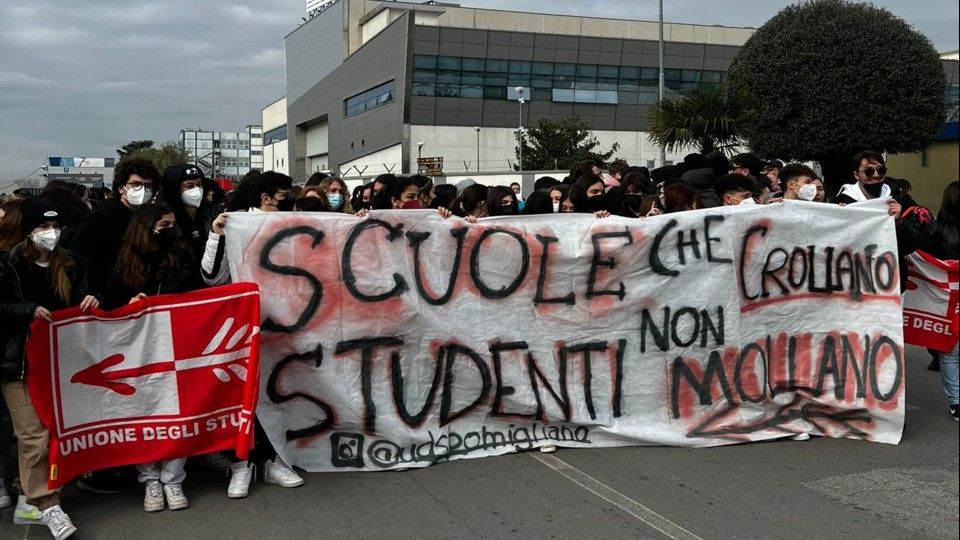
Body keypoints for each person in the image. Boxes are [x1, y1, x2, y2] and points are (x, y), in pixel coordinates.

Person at [201, 172, 306, 499]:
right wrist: (216, 236)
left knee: (275, 393)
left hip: (286, 324)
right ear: (265, 196)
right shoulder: (236, 224)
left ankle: (272, 460)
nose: (288, 198)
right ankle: (242, 464)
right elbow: (211, 277)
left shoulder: (293, 223)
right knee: (242, 395)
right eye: (283, 193)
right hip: (244, 324)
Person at [1, 198, 99, 539]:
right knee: (33, 435)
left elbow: (84, 299)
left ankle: (27, 502)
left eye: (55, 227)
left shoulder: (72, 264)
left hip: (62, 365)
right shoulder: (8, 265)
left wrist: (91, 299)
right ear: (29, 231)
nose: (51, 233)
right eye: (43, 227)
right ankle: (46, 504)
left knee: (52, 434)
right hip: (19, 366)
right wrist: (26, 310)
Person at [104, 204, 195, 512]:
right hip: (136, 349)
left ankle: (173, 478)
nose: (169, 230)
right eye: (163, 225)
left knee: (175, 412)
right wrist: (130, 303)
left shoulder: (181, 256)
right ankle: (150, 479)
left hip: (174, 343)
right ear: (146, 227)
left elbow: (194, 295)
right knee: (142, 413)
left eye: (172, 224)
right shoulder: (124, 262)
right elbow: (109, 304)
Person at [66, 157, 161, 297]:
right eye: (135, 184)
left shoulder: (146, 218)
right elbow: (79, 256)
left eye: (147, 186)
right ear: (121, 188)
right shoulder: (104, 216)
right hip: (105, 297)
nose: (142, 190)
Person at [921, 181, 959, 419]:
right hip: (948, 295)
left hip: (945, 297)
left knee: (950, 353)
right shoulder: (937, 229)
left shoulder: (935, 229)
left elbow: (922, 257)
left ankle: (956, 401)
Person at [160, 165, 217, 277]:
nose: (196, 190)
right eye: (189, 186)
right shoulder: (164, 217)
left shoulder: (210, 212)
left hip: (208, 279)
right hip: (178, 282)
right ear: (175, 189)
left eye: (199, 185)